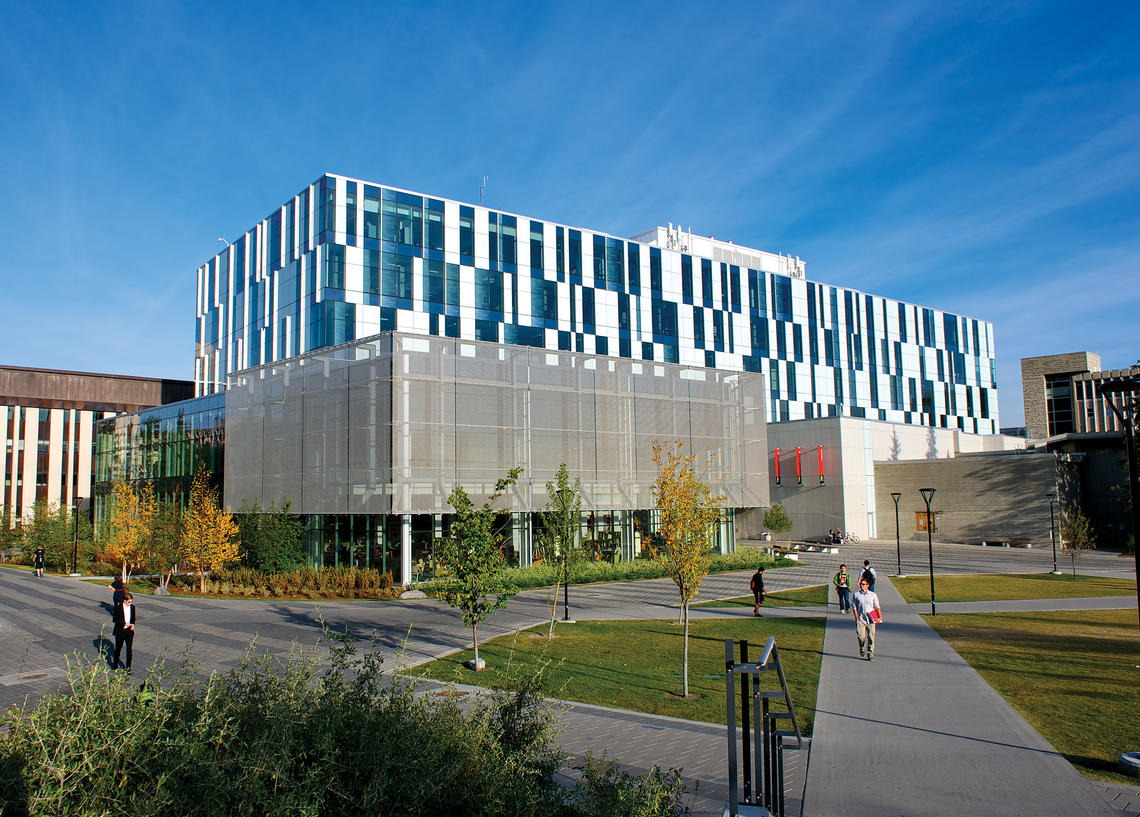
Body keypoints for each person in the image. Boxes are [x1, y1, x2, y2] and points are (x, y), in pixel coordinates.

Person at [851, 576, 882, 660]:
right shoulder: (856, 594)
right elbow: (854, 607)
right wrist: (856, 618)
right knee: (861, 637)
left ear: (868, 585)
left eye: (864, 584)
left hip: (871, 619)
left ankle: (870, 653)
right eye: (861, 584)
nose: (862, 586)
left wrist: (879, 616)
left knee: (871, 637)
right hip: (861, 619)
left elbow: (877, 606)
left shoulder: (873, 595)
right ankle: (862, 647)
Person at [113, 589, 137, 670]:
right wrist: (124, 623)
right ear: (124, 601)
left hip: (129, 631)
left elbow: (133, 618)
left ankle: (128, 668)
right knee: (118, 649)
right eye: (129, 602)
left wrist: (132, 625)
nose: (130, 604)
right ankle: (115, 665)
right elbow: (115, 620)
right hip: (120, 631)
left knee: (129, 649)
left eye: (131, 602)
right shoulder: (118, 608)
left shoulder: (133, 607)